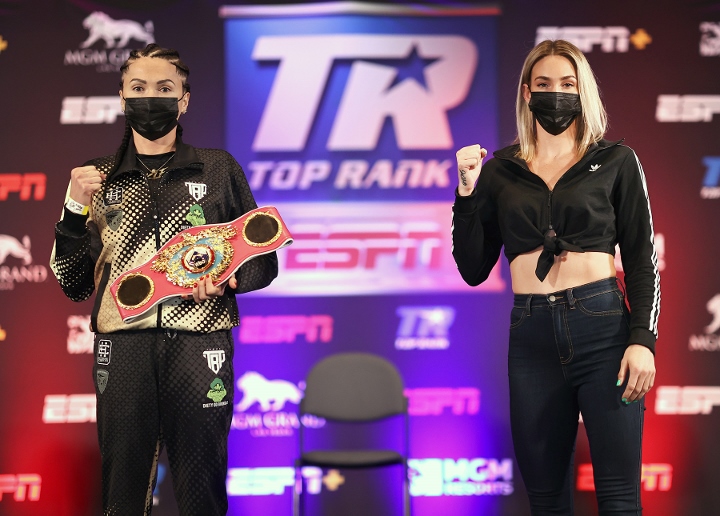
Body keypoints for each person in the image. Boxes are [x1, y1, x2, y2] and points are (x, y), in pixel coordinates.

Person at [50, 44, 277, 515]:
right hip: (123, 347)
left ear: (184, 100)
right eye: (138, 88)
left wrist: (226, 280)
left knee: (202, 488)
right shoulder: (97, 179)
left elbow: (262, 260)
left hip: (201, 343)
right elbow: (73, 283)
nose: (149, 98)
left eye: (163, 88)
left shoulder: (218, 169)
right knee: (123, 490)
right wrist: (73, 207)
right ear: (122, 97)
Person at [453, 39, 659, 515]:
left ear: (583, 91)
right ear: (527, 93)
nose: (557, 93)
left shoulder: (616, 161)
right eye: (544, 84)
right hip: (532, 337)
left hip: (603, 329)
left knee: (619, 498)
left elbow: (642, 260)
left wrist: (642, 341)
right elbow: (473, 268)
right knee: (545, 500)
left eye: (568, 84)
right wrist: (466, 191)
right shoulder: (500, 170)